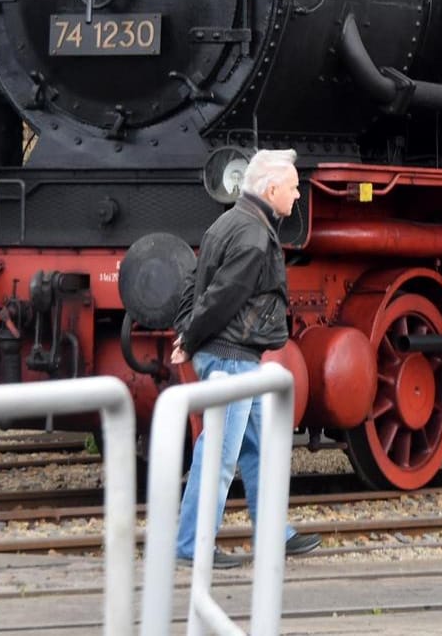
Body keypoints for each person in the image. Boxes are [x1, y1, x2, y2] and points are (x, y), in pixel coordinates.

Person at [171, 147, 323, 567]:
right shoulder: (255, 236)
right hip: (231, 355)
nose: (297, 197)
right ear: (271, 188)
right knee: (219, 454)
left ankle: (274, 533)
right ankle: (191, 545)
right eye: (293, 189)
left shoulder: (228, 222)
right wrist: (191, 335)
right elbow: (223, 296)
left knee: (259, 449)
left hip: (235, 354)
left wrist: (187, 329)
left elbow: (193, 280)